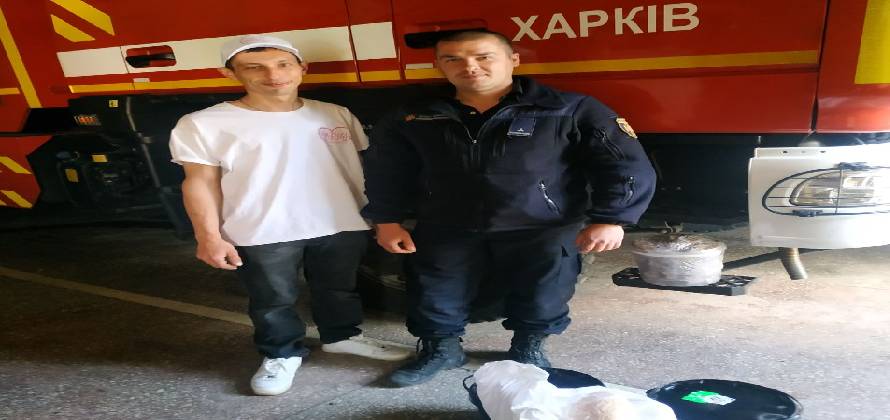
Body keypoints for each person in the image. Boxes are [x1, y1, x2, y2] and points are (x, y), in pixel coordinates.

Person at [361, 29, 657, 387]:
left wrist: (612, 218)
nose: (470, 67)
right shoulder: (414, 116)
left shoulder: (568, 109)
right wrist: (386, 219)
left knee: (544, 290)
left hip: (542, 225)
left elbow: (624, 163)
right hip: (446, 222)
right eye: (453, 59)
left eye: (483, 56)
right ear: (439, 65)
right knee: (434, 289)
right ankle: (441, 350)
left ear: (513, 59)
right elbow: (385, 169)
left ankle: (528, 349)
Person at [168, 34, 410, 396]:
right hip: (261, 228)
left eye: (283, 64)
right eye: (254, 67)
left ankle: (341, 337)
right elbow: (199, 182)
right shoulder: (204, 123)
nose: (273, 75)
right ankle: (280, 353)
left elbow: (362, 169)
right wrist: (209, 236)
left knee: (339, 288)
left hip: (340, 221)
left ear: (302, 68)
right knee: (272, 299)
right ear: (231, 74)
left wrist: (380, 217)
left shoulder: (335, 113)